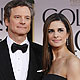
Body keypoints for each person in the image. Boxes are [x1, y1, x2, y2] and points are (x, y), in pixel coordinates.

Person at [0, 0, 43, 80]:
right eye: (17, 17)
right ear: (6, 21)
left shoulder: (43, 53)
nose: (23, 22)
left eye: (27, 18)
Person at [42, 13, 80, 80]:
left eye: (60, 30)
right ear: (46, 35)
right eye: (50, 31)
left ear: (67, 34)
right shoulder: (47, 61)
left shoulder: (72, 62)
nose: (56, 35)